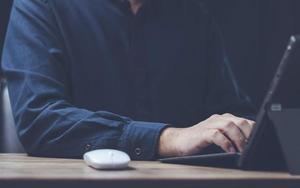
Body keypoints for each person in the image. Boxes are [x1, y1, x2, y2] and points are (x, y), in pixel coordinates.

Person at [1, 0, 255, 160]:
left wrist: (246, 131)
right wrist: (167, 138)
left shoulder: (194, 17)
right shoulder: (41, 6)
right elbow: (40, 120)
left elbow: (232, 113)